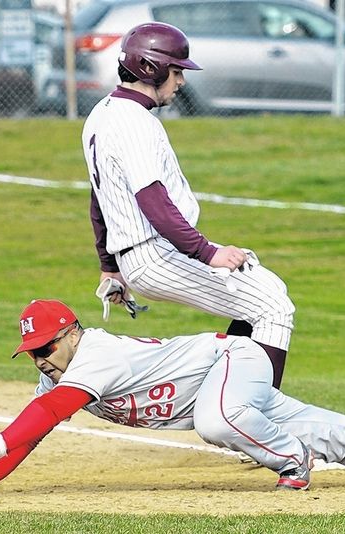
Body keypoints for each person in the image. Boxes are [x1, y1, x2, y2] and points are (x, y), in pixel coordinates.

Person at [0, 299, 345, 495]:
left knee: (217, 422)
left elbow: (47, 413)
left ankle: (290, 460)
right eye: (31, 351)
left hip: (232, 359)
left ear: (71, 331)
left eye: (45, 345)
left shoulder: (95, 355)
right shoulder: (59, 371)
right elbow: (34, 431)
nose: (40, 356)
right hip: (223, 385)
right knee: (327, 431)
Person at [81, 22, 294, 389]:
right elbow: (153, 201)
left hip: (143, 254)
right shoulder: (134, 122)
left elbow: (99, 198)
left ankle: (233, 398)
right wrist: (206, 251)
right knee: (273, 306)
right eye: (177, 70)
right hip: (156, 254)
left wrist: (109, 266)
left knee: (263, 291)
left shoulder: (102, 113)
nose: (181, 80)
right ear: (152, 68)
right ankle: (252, 412)